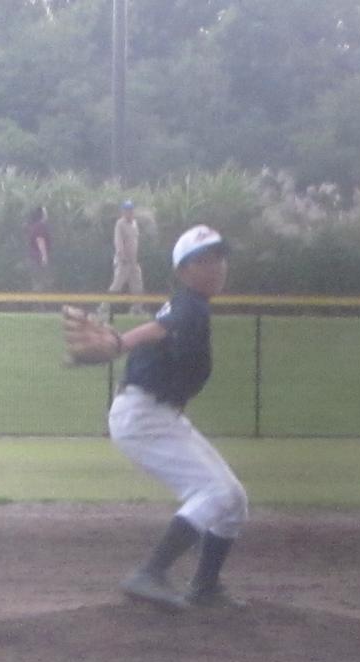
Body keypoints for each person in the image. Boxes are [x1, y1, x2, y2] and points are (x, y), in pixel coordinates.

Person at [105, 225, 248, 610]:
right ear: (183, 271)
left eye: (220, 258)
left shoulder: (191, 306)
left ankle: (205, 586)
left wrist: (122, 342)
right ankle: (149, 573)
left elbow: (162, 330)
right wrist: (121, 342)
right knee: (216, 493)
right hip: (142, 416)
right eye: (204, 260)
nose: (217, 267)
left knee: (233, 499)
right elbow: (158, 329)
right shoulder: (189, 305)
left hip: (155, 414)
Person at [99, 200, 145, 320]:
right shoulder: (120, 224)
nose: (129, 212)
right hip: (123, 261)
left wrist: (135, 258)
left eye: (131, 209)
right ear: (123, 211)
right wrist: (122, 255)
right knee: (116, 285)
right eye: (127, 210)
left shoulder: (134, 223)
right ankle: (104, 308)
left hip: (134, 261)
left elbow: (135, 241)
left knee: (137, 284)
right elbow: (118, 241)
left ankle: (137, 309)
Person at [25, 205, 54, 297]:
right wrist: (44, 256)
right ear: (41, 214)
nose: (47, 214)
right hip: (37, 258)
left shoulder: (34, 226)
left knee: (38, 281)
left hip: (33, 258)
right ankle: (40, 303)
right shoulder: (40, 226)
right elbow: (40, 240)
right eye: (45, 212)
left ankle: (38, 302)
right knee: (41, 282)